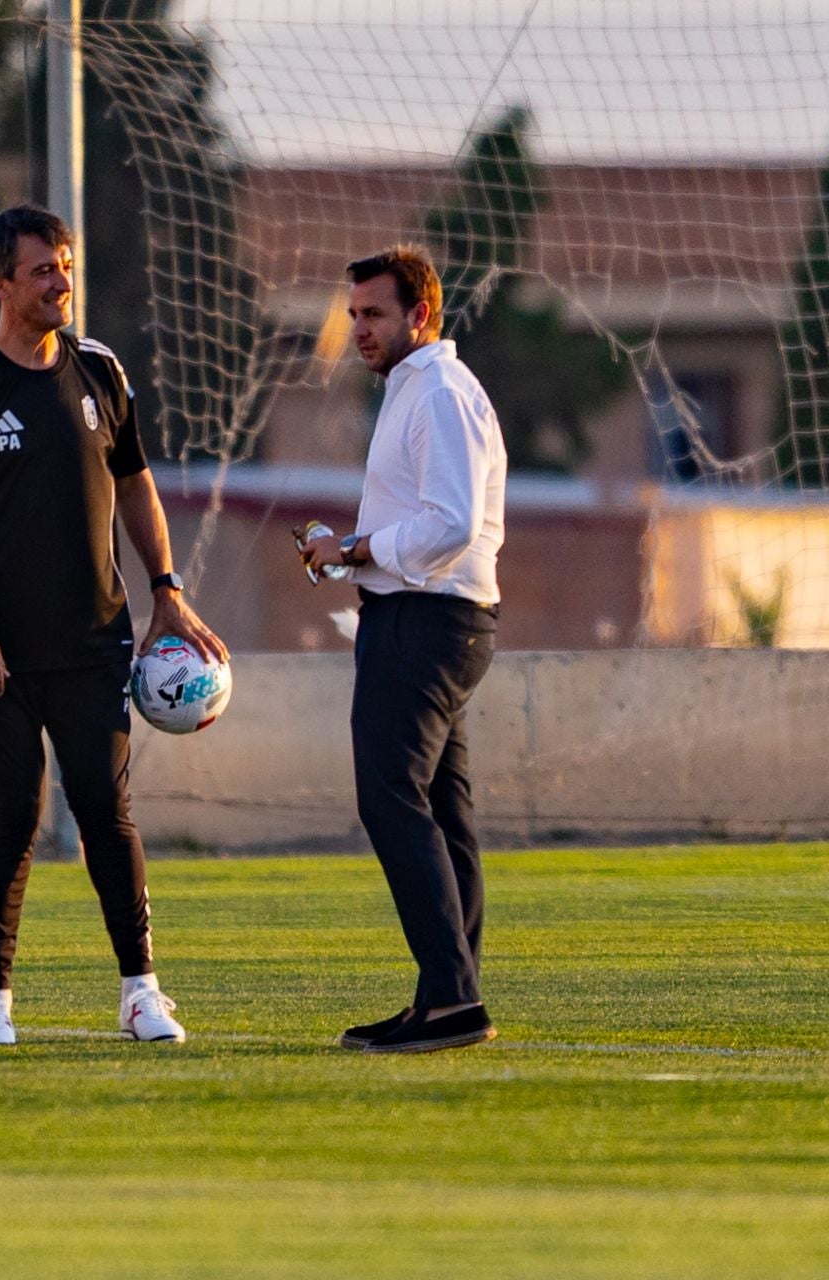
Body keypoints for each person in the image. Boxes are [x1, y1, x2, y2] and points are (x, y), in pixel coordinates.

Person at [0, 204, 226, 1048]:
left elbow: (136, 481)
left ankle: (142, 993)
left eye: (66, 265)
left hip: (95, 641)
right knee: (11, 814)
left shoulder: (101, 369)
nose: (61, 282)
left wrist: (167, 589)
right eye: (42, 270)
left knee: (106, 809)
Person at [297, 245, 506, 1055]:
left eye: (376, 314)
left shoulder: (439, 392)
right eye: (353, 315)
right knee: (444, 812)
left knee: (390, 797)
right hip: (430, 618)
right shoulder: (416, 389)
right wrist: (346, 552)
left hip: (426, 622)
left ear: (420, 314)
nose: (360, 329)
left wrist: (354, 550)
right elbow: (423, 521)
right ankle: (446, 995)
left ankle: (451, 997)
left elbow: (451, 524)